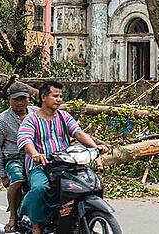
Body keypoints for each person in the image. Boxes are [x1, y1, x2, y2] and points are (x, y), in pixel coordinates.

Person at [17, 80, 106, 234]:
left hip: (65, 164)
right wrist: (35, 154)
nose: (59, 99)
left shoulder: (64, 116)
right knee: (40, 188)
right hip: (40, 166)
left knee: (89, 184)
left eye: (60, 96)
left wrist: (95, 147)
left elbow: (78, 133)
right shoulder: (31, 119)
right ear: (43, 97)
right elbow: (25, 140)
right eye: (55, 96)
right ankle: (36, 225)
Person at [0, 81, 38, 233]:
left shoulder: (37, 113)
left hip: (35, 155)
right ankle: (13, 217)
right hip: (14, 158)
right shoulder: (1, 121)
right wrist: (2, 174)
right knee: (17, 180)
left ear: (28, 99)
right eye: (16, 99)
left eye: (23, 98)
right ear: (9, 99)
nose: (20, 103)